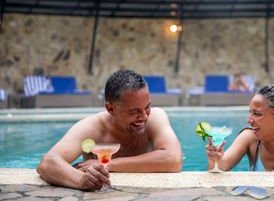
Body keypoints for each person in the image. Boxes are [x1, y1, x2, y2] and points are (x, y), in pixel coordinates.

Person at [37, 69, 182, 190]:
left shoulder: (156, 117)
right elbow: (48, 163)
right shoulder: (91, 128)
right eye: (134, 112)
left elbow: (173, 160)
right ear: (110, 108)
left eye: (147, 107)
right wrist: (81, 180)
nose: (144, 116)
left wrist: (106, 164)